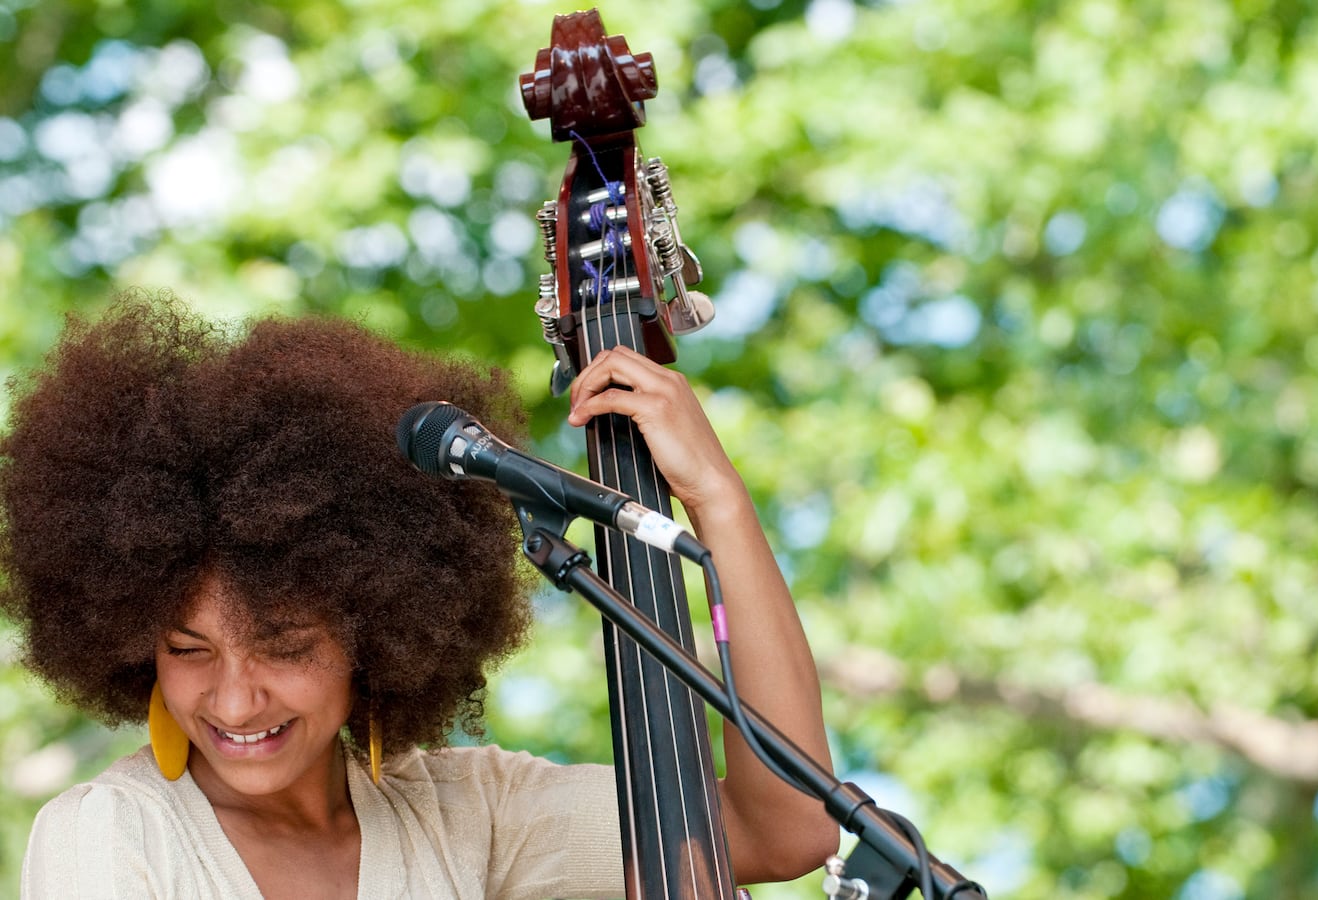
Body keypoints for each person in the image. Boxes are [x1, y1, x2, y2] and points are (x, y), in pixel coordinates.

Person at [3, 295, 838, 898]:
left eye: (286, 645)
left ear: (377, 635)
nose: (232, 697)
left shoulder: (464, 813)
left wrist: (717, 501)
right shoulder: (108, 833)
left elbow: (784, 828)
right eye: (188, 650)